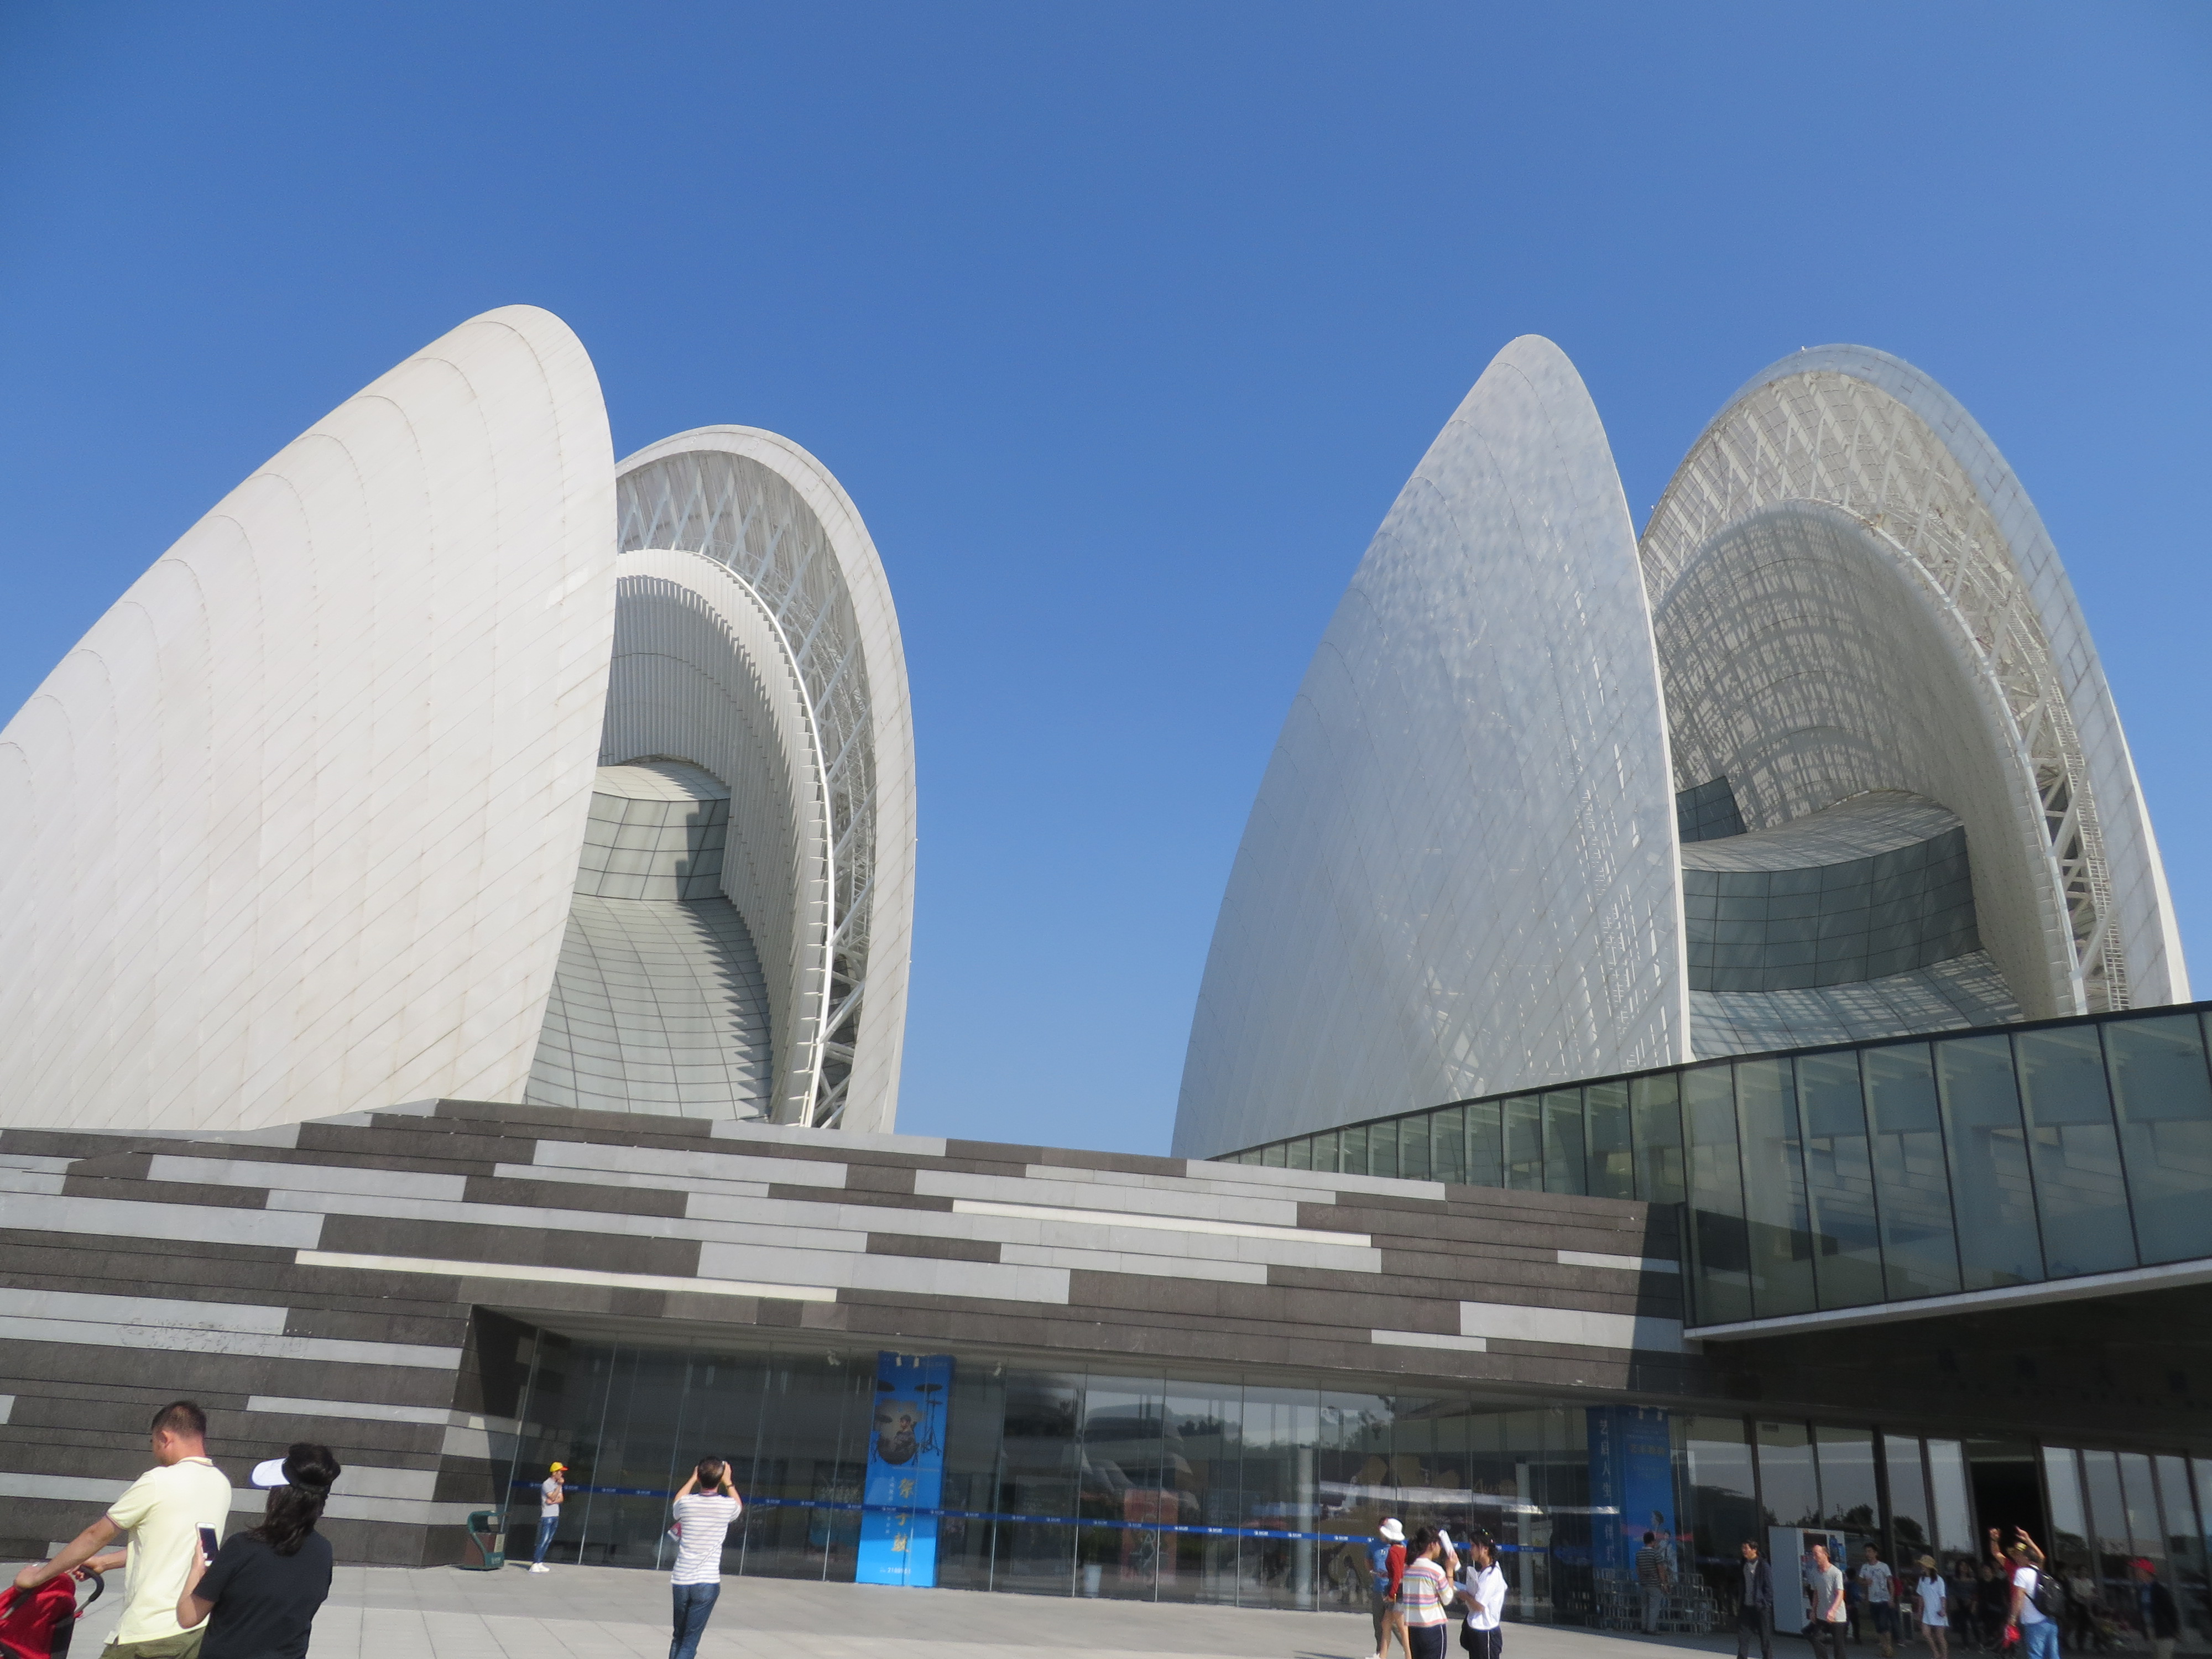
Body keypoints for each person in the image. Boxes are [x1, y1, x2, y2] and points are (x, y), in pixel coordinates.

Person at [13, 1400, 232, 1658]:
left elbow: (95, 1536)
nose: (154, 1451)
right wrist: (105, 1562)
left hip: (148, 1636)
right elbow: (173, 1545)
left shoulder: (158, 1481)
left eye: (153, 1442)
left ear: (165, 1438)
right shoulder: (220, 1484)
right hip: (195, 1629)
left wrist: (37, 1578)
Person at [176, 1444, 340, 1659]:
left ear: (278, 1497)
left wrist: (197, 1569)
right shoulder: (323, 1552)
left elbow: (188, 1616)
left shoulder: (241, 1547)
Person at [667, 1458, 743, 1659]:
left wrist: (693, 1479)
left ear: (699, 1477)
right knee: (690, 1642)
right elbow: (739, 1506)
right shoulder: (726, 1506)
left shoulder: (686, 1504)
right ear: (720, 1479)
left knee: (678, 1637)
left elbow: (677, 1502)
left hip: (682, 1580)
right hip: (707, 1581)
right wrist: (729, 1481)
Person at [1992, 1527, 2055, 1659]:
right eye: (2016, 1554)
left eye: (2020, 1554)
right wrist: (1994, 1540)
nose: (2017, 1556)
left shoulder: (2032, 1569)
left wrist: (2028, 1540)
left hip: (2028, 1614)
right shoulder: (2012, 1566)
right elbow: (1996, 1553)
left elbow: (2041, 1557)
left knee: (2033, 1651)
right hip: (2028, 1614)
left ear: (2027, 1557)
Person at [1397, 1527, 1456, 1659]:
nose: (1440, 1548)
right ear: (1432, 1545)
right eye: (1439, 1544)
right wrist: (1450, 1571)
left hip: (1413, 1627)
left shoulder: (1407, 1568)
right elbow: (1447, 1598)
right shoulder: (1435, 1570)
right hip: (1433, 1627)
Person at [1458, 1533, 1506, 1659]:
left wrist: (1466, 1596)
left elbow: (1480, 1606)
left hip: (1486, 1630)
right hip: (1477, 1629)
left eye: (1473, 1546)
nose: (1470, 1550)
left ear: (1485, 1549)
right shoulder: (1485, 1572)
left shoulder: (1492, 1575)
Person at [1370, 1519, 1410, 1659]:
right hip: (1399, 1587)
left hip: (1397, 1590)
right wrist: (1387, 1574)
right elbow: (1399, 1572)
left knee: (1401, 1627)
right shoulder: (1402, 1549)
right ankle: (1382, 1656)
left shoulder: (1393, 1551)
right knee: (1386, 1623)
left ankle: (1409, 1656)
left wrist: (1392, 1594)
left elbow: (1398, 1575)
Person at [1735, 1538, 1774, 1659]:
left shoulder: (1763, 1566)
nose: (1744, 1551)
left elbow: (1769, 1588)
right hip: (1746, 1608)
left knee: (1765, 1640)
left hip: (1760, 1609)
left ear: (1754, 1550)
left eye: (1746, 1548)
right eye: (1743, 1548)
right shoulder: (1744, 1564)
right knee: (1743, 1638)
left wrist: (1765, 1604)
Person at [2130, 1559, 2177, 1659]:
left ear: (2146, 1572)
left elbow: (2171, 1611)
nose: (2136, 1573)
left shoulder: (2159, 1590)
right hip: (2151, 1629)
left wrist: (2175, 1630)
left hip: (2164, 1631)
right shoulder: (2142, 1590)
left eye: (2139, 1570)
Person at [1809, 1542, 1849, 1659]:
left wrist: (1833, 1611)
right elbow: (1816, 1593)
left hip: (1837, 1616)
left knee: (1839, 1647)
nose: (1814, 1558)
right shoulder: (1815, 1572)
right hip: (1822, 1614)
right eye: (1813, 1554)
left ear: (1825, 1554)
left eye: (1816, 1554)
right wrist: (1813, 1611)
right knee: (1816, 1638)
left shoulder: (1836, 1573)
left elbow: (1840, 1594)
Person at [1861, 1545, 1898, 1658]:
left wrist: (1891, 1598)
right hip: (1873, 1600)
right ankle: (1884, 1648)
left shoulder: (1883, 1566)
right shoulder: (1865, 1567)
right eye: (1866, 1552)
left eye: (1870, 1551)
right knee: (1878, 1626)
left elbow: (1891, 1583)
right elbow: (1860, 1580)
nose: (1868, 1554)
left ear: (1875, 1553)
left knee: (1883, 1624)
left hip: (1884, 1600)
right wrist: (1865, 1583)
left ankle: (1889, 1648)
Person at [530, 1463, 567, 1573]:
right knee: (543, 1540)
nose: (562, 1474)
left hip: (555, 1515)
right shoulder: (547, 1484)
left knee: (548, 1540)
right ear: (554, 1473)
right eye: (560, 1472)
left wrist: (553, 1501)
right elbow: (552, 1496)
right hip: (547, 1516)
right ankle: (535, 1563)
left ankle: (540, 1562)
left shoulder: (557, 1484)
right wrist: (559, 1487)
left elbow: (561, 1499)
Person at [1914, 1556, 1949, 1659]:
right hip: (1927, 1611)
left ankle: (1945, 1657)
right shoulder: (1922, 1579)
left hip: (1938, 1610)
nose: (1922, 1567)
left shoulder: (1939, 1580)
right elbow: (1921, 1596)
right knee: (1925, 1633)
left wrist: (1943, 1609)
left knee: (1940, 1636)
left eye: (1923, 1565)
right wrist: (1919, 1611)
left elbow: (1943, 1596)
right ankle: (1936, 1654)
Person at [1637, 1530, 1672, 1633]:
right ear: (1653, 1542)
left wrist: (1642, 1579)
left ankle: (1644, 1627)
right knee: (1654, 1607)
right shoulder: (1656, 1554)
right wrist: (1664, 1583)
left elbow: (1638, 1570)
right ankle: (1651, 1629)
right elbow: (1661, 1570)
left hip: (1644, 1583)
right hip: (1654, 1584)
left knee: (1645, 1607)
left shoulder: (1639, 1554)